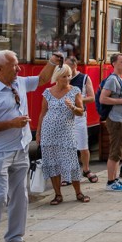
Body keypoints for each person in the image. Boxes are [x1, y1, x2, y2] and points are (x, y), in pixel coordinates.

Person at [0, 50, 61, 242]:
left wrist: (52, 61)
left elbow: (43, 79)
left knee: (20, 196)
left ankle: (14, 238)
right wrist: (11, 123)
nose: (19, 69)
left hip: (21, 148)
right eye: (14, 65)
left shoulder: (19, 83)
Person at [37, 66, 89, 205]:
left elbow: (81, 111)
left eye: (69, 76)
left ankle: (78, 192)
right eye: (64, 76)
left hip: (66, 132)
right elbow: (43, 113)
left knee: (71, 162)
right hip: (48, 133)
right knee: (52, 163)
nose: (67, 79)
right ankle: (58, 194)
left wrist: (72, 107)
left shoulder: (75, 91)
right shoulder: (48, 92)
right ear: (57, 77)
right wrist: (38, 132)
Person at [99, 53, 122, 192]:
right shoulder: (112, 80)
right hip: (116, 119)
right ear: (114, 63)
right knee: (116, 151)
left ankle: (115, 178)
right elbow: (103, 99)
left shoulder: (120, 78)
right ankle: (110, 182)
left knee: (119, 150)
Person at [65, 57, 97, 183]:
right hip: (66, 115)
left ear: (74, 66)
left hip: (79, 116)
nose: (65, 69)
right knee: (67, 146)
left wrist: (78, 100)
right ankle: (67, 174)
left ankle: (86, 169)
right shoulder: (62, 78)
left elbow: (92, 98)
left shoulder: (84, 78)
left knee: (83, 146)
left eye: (68, 66)